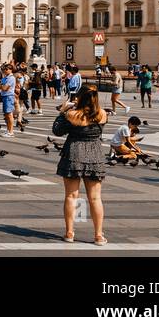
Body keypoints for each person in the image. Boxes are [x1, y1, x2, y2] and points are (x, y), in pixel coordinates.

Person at [53, 83, 108, 244]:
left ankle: (70, 233)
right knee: (95, 198)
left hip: (74, 154)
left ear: (80, 97)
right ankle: (98, 235)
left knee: (71, 196)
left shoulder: (72, 115)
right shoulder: (102, 114)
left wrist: (62, 111)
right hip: (95, 155)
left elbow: (57, 130)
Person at [0, 64, 17, 137]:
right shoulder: (6, 78)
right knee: (6, 115)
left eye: (7, 69)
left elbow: (4, 88)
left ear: (11, 69)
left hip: (9, 96)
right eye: (4, 69)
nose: (5, 70)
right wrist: (2, 86)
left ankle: (11, 131)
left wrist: (2, 86)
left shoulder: (11, 78)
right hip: (5, 96)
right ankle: (8, 130)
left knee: (9, 114)